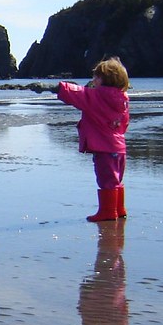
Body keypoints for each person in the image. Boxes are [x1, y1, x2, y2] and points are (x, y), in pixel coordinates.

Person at [56, 57, 130, 222]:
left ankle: (108, 212)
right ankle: (119, 209)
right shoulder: (122, 99)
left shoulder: (96, 97)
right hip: (119, 147)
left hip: (104, 147)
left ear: (107, 80)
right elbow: (124, 123)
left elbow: (76, 93)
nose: (93, 80)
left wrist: (58, 87)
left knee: (106, 178)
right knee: (116, 178)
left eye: (97, 77)